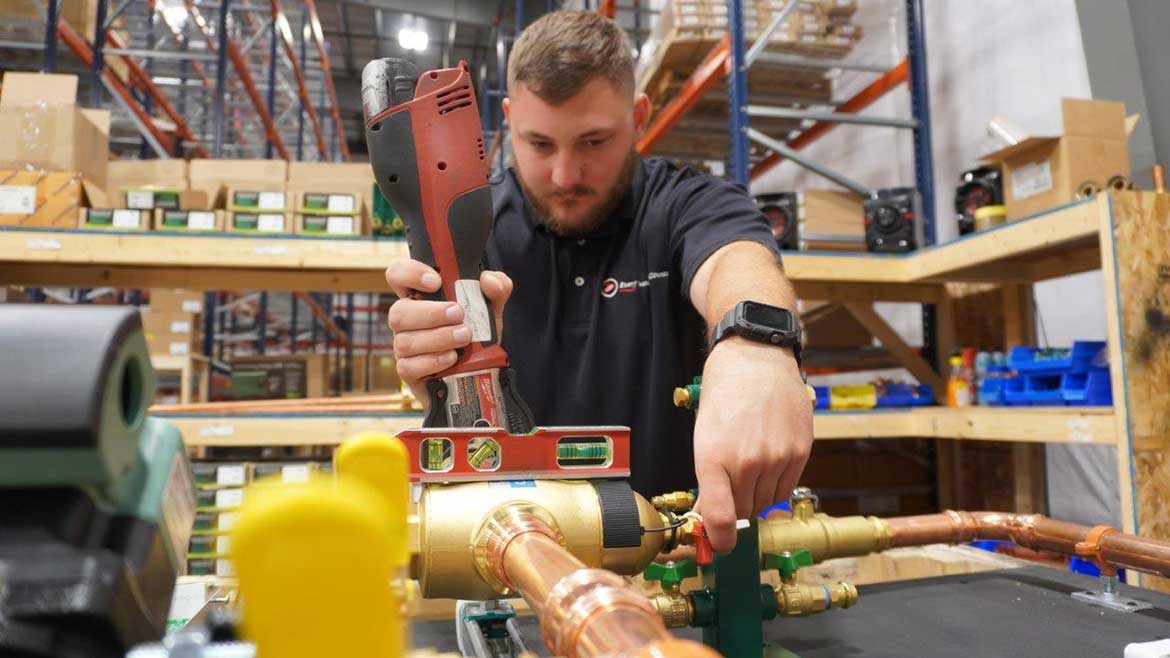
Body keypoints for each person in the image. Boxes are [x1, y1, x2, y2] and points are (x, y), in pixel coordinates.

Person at [384, 10, 812, 553]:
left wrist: (757, 346)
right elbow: (455, 421)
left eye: (593, 142)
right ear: (509, 119)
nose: (565, 176)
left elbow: (738, 261)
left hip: (683, 552)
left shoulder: (688, 203)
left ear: (637, 116)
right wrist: (437, 373)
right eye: (539, 145)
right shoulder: (469, 234)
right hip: (519, 552)